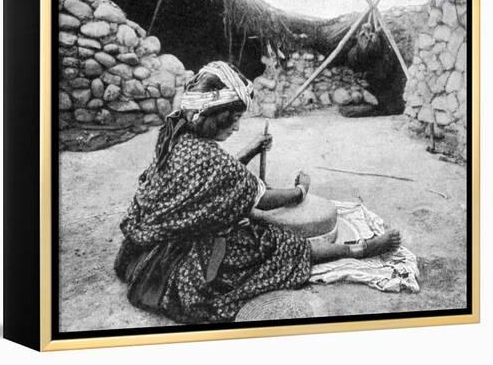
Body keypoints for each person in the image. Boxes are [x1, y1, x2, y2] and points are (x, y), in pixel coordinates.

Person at [114, 61, 401, 323]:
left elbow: (211, 182)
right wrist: (301, 189)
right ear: (211, 114)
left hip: (143, 250)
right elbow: (262, 199)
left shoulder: (176, 136)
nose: (237, 126)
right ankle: (361, 249)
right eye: (233, 117)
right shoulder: (213, 160)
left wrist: (250, 150)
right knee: (275, 243)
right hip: (178, 260)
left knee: (246, 216)